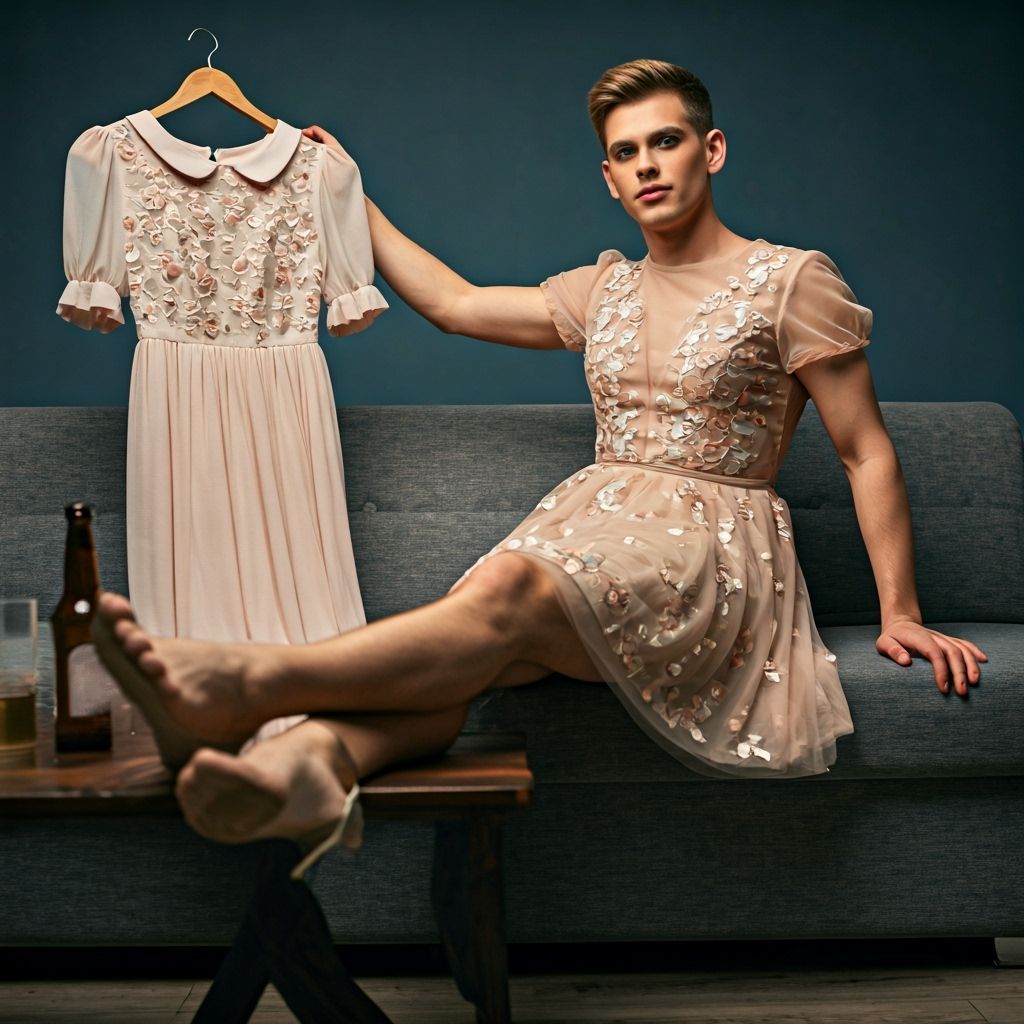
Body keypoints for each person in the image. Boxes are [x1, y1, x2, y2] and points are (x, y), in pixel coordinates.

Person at [92, 59, 987, 877]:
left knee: (502, 596)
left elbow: (865, 449)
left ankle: (243, 682)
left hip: (714, 550)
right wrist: (342, 191)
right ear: (608, 176)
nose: (647, 165)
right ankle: (315, 764)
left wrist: (899, 612)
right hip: (595, 521)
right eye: (625, 152)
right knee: (468, 656)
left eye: (666, 142)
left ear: (710, 150)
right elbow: (455, 303)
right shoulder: (605, 289)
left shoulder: (793, 281)